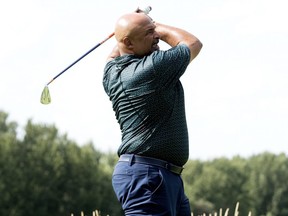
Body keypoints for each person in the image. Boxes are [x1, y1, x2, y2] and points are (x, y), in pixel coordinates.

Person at [102, 10, 202, 216]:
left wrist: (134, 27)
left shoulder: (111, 72)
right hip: (149, 176)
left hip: (158, 175)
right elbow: (192, 43)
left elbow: (114, 53)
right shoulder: (153, 69)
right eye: (149, 32)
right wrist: (156, 25)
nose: (156, 35)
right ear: (129, 43)